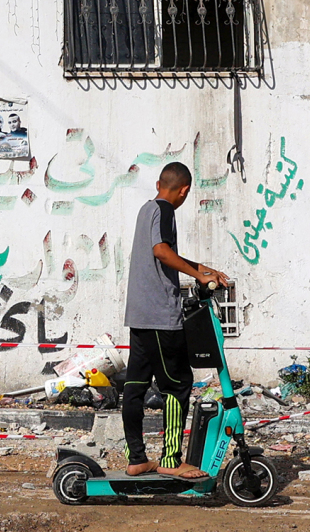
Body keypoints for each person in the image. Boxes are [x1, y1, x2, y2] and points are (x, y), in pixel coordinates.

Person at [122, 161, 228, 479]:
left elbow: (165, 253)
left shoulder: (146, 209)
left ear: (158, 184)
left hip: (139, 315)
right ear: (184, 190)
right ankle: (170, 458)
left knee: (135, 387)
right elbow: (161, 252)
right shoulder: (166, 211)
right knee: (178, 384)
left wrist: (202, 267)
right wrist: (197, 274)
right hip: (160, 315)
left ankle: (136, 458)